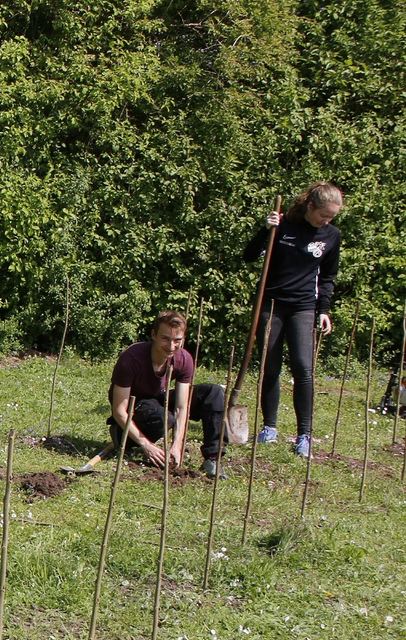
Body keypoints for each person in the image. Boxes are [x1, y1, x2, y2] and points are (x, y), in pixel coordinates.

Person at [242, 181, 343, 457]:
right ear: (310, 206)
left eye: (332, 216)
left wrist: (324, 309)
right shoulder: (282, 225)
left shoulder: (331, 235)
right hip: (271, 304)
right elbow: (249, 256)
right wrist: (265, 229)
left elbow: (328, 277)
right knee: (270, 367)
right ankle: (269, 428)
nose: (327, 220)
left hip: (303, 307)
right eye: (324, 214)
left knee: (303, 368)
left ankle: (304, 435)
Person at [109, 310, 227, 476]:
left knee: (213, 393)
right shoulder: (131, 359)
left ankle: (212, 458)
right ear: (154, 335)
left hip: (159, 399)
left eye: (177, 340)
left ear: (183, 339)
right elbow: (119, 410)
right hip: (136, 405)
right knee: (163, 418)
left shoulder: (184, 359)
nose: (171, 347)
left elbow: (181, 406)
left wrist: (176, 445)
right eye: (165, 338)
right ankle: (123, 435)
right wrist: (147, 445)